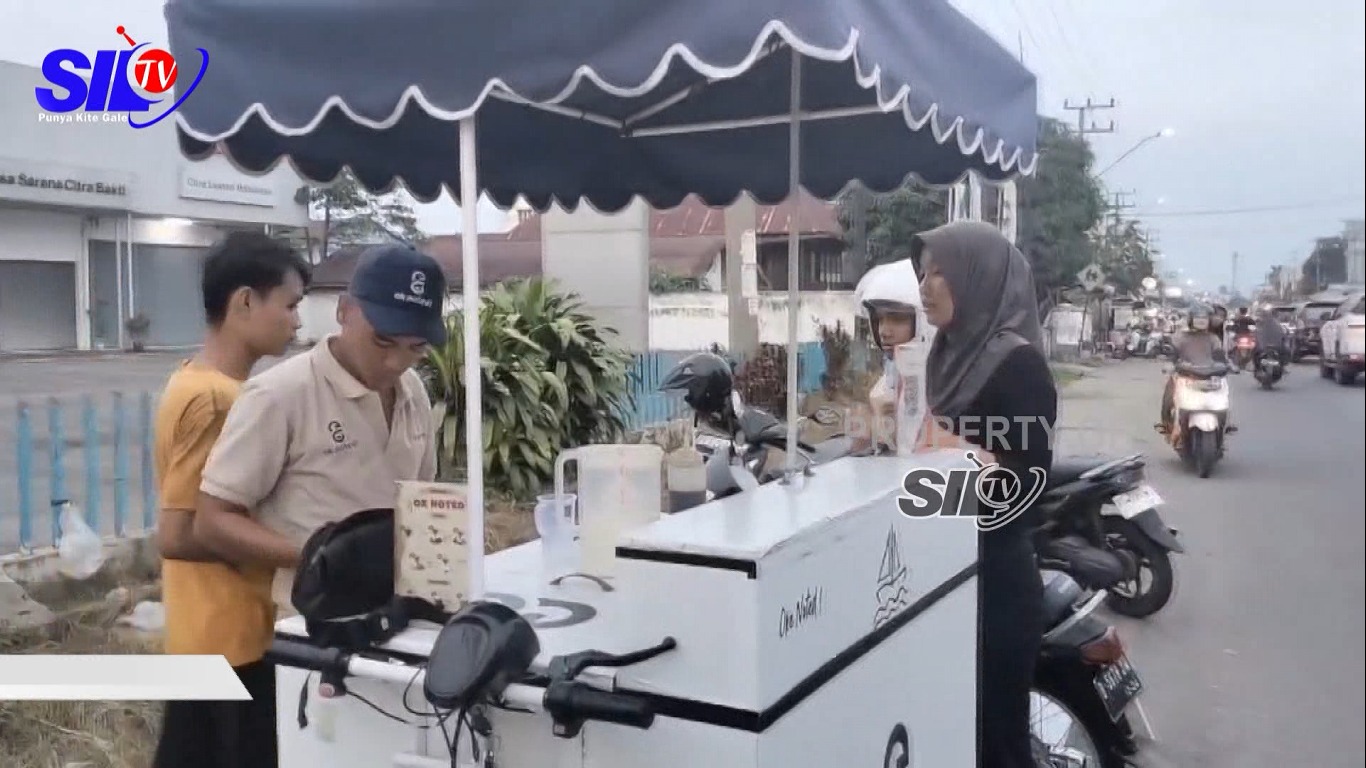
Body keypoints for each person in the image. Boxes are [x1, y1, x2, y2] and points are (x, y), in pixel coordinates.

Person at [192, 243, 444, 617]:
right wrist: (322, 557)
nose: (396, 362)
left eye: (416, 347)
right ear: (344, 311)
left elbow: (421, 503)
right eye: (382, 341)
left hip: (401, 616)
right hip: (316, 627)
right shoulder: (280, 395)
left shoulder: (414, 393)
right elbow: (212, 521)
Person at [151, 232, 310, 768]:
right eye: (289, 305)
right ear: (244, 302)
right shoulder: (214, 398)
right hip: (227, 637)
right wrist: (297, 550)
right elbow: (178, 533)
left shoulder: (202, 383)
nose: (297, 322)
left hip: (220, 631)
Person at [908, 221, 1055, 768]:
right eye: (923, 272)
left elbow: (1024, 487)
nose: (926, 285)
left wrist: (944, 447)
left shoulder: (1018, 364)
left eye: (941, 272)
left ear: (982, 280)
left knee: (995, 744)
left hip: (994, 584)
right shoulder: (945, 354)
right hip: (945, 573)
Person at [853, 258, 924, 448]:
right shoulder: (889, 375)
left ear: (923, 321)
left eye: (897, 319)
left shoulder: (943, 383)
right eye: (879, 319)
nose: (884, 331)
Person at [1158, 310, 1228, 433]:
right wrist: (1170, 363)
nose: (1201, 321)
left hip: (1210, 376)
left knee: (1223, 400)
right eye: (1197, 318)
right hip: (1185, 373)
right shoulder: (1180, 337)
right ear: (1191, 320)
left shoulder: (1213, 338)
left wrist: (1228, 365)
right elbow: (1172, 353)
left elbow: (1220, 356)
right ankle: (1167, 425)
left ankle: (1223, 428)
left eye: (1204, 318)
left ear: (1209, 321)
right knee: (1169, 397)